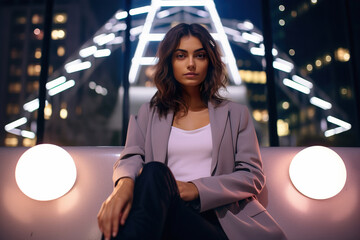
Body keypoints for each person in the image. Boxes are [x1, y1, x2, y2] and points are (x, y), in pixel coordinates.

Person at [97, 23, 286, 240]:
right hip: (165, 212)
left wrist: (194, 189)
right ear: (169, 62)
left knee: (154, 175)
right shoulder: (149, 113)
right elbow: (131, 156)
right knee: (153, 173)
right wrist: (123, 188)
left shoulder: (235, 115)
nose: (190, 64)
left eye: (200, 55)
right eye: (180, 55)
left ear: (209, 62)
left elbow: (251, 175)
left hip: (218, 223)